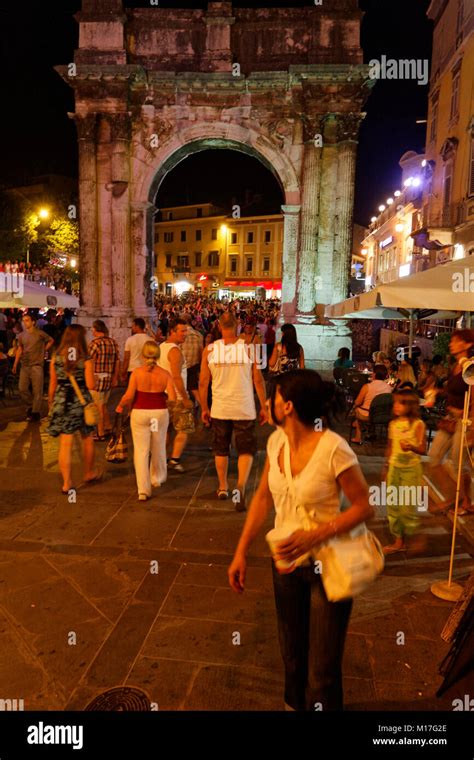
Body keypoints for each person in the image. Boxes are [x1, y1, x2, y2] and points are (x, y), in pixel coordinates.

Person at [228, 370, 373, 710]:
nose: (266, 403)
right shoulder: (276, 441)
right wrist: (241, 552)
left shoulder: (333, 449)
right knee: (292, 656)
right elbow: (263, 497)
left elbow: (365, 507)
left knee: (322, 670)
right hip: (286, 563)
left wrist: (316, 535)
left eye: (273, 398)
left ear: (288, 406)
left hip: (331, 566)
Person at [199, 311, 267, 510]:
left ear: (219, 326)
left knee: (221, 448)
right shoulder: (248, 348)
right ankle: (240, 487)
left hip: (220, 408)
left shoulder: (209, 350)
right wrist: (264, 406)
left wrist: (204, 407)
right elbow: (258, 380)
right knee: (245, 449)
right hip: (244, 407)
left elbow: (203, 382)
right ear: (237, 325)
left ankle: (222, 486)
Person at [116, 342, 176, 501]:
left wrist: (120, 406)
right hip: (159, 413)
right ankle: (157, 477)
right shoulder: (165, 374)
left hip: (140, 413)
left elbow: (129, 396)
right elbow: (173, 398)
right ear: (158, 356)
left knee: (141, 451)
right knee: (158, 445)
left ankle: (143, 490)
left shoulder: (136, 373)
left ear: (143, 355)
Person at [47, 325, 100, 493]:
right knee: (87, 438)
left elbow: (52, 384)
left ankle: (67, 483)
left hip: (62, 401)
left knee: (65, 443)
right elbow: (91, 384)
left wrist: (51, 402)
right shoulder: (85, 359)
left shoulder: (56, 357)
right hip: (81, 401)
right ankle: (89, 472)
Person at [428, 329, 474, 515]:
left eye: (455, 341)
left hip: (466, 420)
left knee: (458, 462)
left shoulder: (470, 366)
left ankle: (466, 501)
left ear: (468, 344)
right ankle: (454, 496)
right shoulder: (456, 365)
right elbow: (454, 390)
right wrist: (438, 392)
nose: (450, 344)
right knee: (434, 457)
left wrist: (468, 415)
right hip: (450, 419)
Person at [381, 388, 427, 554]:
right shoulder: (393, 424)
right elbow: (390, 447)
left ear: (410, 405)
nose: (395, 406)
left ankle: (413, 535)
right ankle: (398, 541)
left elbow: (423, 449)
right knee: (392, 506)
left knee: (407, 507)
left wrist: (412, 447)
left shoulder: (418, 424)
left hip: (411, 470)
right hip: (394, 468)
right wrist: (386, 467)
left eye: (399, 402)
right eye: (395, 402)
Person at [157, 317, 194, 472]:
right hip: (176, 396)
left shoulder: (161, 347)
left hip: (163, 395)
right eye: (182, 331)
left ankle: (161, 459)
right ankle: (174, 460)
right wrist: (185, 398)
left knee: (165, 430)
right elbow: (176, 376)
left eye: (186, 331)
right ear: (172, 331)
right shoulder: (174, 351)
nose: (185, 334)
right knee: (184, 428)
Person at [13, 313, 54, 422]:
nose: (25, 322)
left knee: (37, 390)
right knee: (22, 388)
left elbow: (51, 340)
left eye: (27, 320)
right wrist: (15, 363)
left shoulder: (40, 333)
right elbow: (20, 349)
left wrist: (44, 350)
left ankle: (35, 412)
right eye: (23, 320)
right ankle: (31, 405)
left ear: (33, 322)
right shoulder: (21, 335)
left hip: (37, 365)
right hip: (25, 365)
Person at [88, 320, 120, 441]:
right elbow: (117, 361)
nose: (92, 331)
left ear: (96, 329)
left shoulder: (94, 344)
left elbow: (89, 361)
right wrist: (115, 378)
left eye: (92, 329)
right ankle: (108, 426)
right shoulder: (113, 343)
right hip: (109, 378)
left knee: (98, 407)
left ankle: (100, 433)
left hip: (97, 378)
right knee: (103, 404)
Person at [350, 365, 392, 444]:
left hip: (367, 415)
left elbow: (357, 402)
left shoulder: (367, 387)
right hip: (383, 415)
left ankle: (358, 437)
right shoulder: (388, 388)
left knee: (357, 409)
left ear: (374, 374)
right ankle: (371, 432)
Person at [181, 313, 204, 409]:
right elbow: (201, 352)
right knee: (193, 389)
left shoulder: (181, 334)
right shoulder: (198, 335)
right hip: (194, 366)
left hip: (182, 366)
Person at [122, 318, 152, 385]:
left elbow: (126, 358)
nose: (132, 328)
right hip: (146, 369)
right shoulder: (150, 340)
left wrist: (123, 372)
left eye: (133, 326)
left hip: (133, 370)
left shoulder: (130, 340)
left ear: (137, 326)